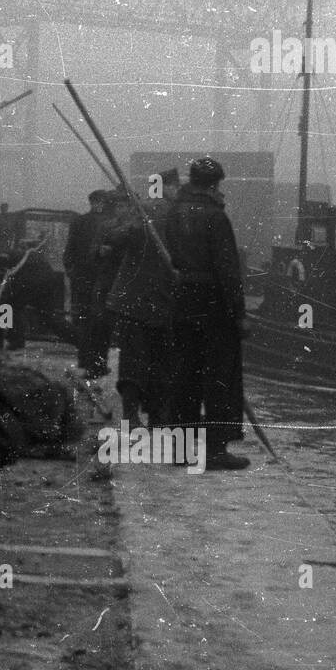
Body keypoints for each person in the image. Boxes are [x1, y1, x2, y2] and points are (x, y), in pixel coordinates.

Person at [164, 157, 250, 471]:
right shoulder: (216, 216)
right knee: (220, 376)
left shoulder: (174, 213)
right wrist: (239, 314)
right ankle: (215, 449)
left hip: (183, 300)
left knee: (184, 374)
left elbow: (173, 257)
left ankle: (180, 450)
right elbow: (228, 270)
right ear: (214, 184)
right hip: (214, 304)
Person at [106, 170, 178, 428]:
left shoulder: (143, 211)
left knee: (134, 359)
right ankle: (155, 416)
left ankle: (132, 415)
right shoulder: (175, 213)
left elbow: (114, 237)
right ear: (170, 187)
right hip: (161, 300)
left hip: (136, 300)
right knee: (160, 362)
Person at [63, 189, 120, 378]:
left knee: (84, 322)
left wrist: (72, 272)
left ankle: (85, 361)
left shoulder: (79, 222)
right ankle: (96, 364)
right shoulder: (111, 223)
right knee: (99, 325)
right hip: (99, 280)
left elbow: (69, 251)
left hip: (83, 279)